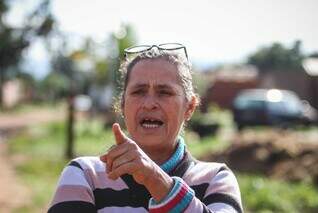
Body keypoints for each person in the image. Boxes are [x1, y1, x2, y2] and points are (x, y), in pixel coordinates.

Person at [48, 43, 243, 213]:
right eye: (139, 91)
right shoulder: (85, 175)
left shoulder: (216, 180)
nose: (149, 103)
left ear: (189, 107)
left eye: (164, 92)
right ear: (122, 105)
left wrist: (155, 179)